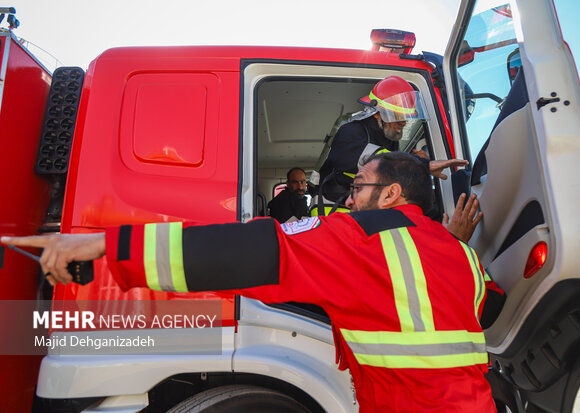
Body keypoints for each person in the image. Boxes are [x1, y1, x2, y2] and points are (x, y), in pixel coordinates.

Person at [1, 152, 496, 412]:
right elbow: (488, 311)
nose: (346, 199)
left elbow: (244, 252)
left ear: (389, 193)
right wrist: (456, 239)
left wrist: (108, 245)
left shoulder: (358, 239)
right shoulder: (461, 254)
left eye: (357, 187)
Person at [316, 75, 441, 214]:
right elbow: (378, 161)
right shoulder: (351, 131)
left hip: (362, 208)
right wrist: (416, 164)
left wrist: (412, 160)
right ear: (376, 114)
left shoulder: (388, 139)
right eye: (397, 116)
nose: (403, 122)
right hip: (334, 210)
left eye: (406, 116)